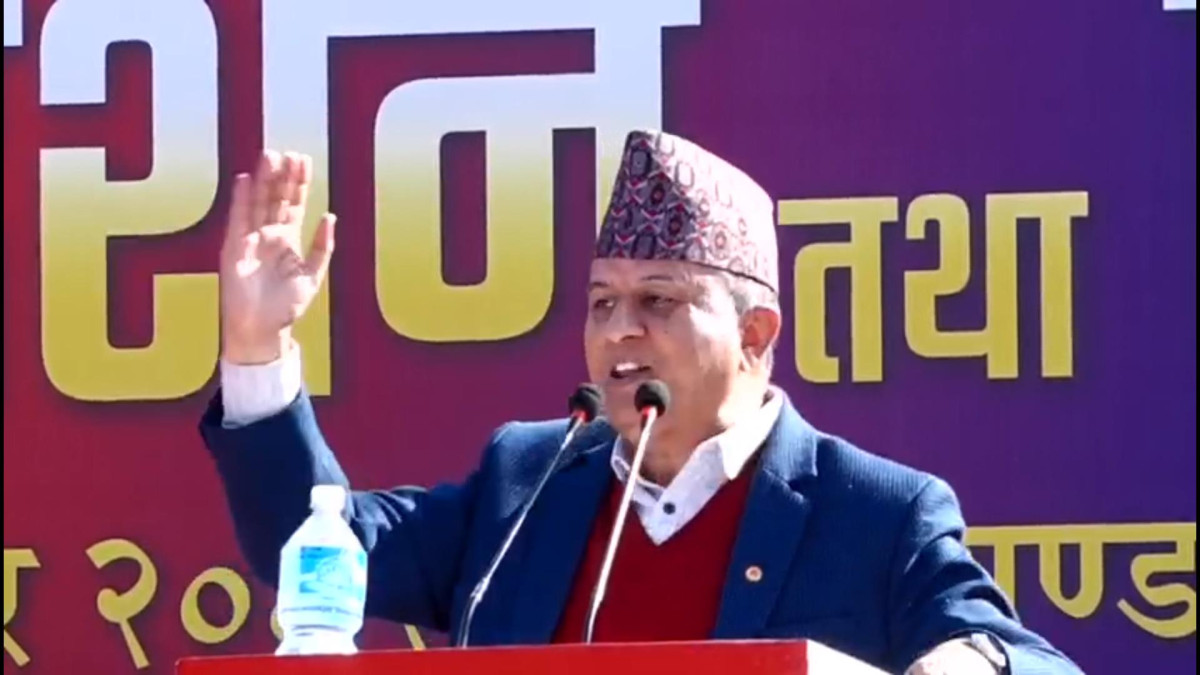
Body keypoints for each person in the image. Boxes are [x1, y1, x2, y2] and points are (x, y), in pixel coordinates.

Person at [200, 130, 1083, 675]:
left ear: (756, 333)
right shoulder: (529, 481)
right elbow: (310, 547)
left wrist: (962, 663)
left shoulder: (873, 512)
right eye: (601, 302)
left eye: (658, 301)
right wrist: (256, 344)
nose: (620, 331)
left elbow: (1024, 657)